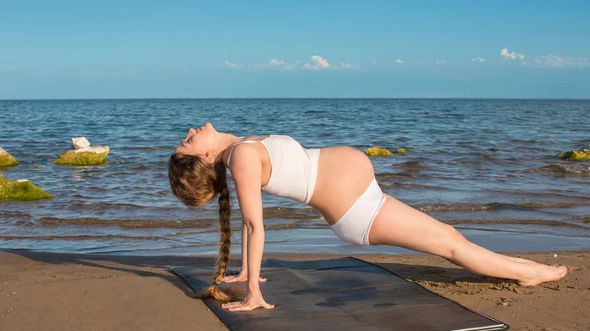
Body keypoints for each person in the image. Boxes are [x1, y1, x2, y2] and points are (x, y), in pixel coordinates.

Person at [168, 123, 568, 312]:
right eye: (189, 141)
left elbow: (244, 216)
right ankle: (527, 272)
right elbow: (255, 223)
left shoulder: (240, 147)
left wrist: (242, 271)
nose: (190, 130)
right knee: (448, 242)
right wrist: (254, 290)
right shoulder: (239, 157)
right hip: (359, 211)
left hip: (363, 199)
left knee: (448, 235)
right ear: (203, 157)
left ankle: (520, 267)